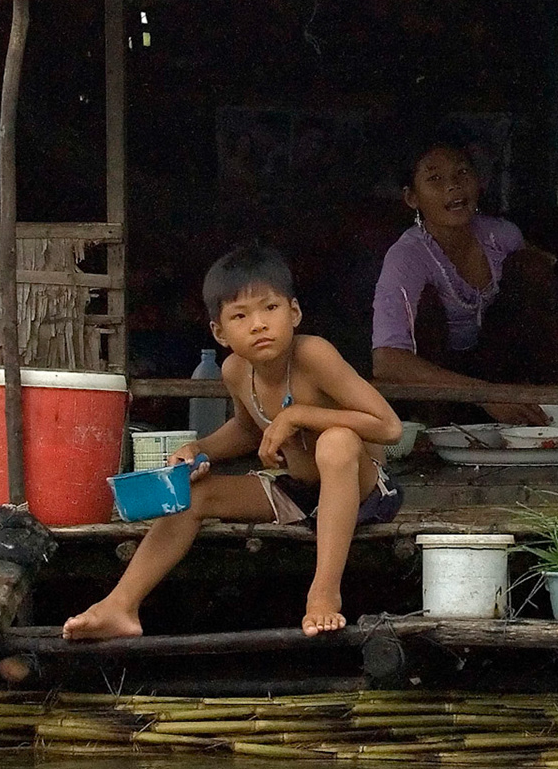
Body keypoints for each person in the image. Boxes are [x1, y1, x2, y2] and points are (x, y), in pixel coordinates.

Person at [64, 244, 404, 639]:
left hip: (361, 490)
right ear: (220, 332)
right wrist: (198, 448)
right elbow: (246, 430)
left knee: (338, 442)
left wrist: (296, 415)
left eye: (269, 309)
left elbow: (388, 427)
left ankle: (324, 593)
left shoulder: (315, 355)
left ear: (293, 312)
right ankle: (120, 606)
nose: (258, 324)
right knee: (196, 493)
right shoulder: (235, 370)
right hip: (297, 490)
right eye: (240, 316)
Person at [371, 135, 558, 426]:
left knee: (531, 267)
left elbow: (538, 317)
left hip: (506, 381)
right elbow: (387, 360)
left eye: (461, 173)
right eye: (435, 178)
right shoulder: (406, 258)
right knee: (426, 304)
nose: (452, 186)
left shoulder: (502, 236)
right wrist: (483, 394)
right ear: (412, 198)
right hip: (443, 395)